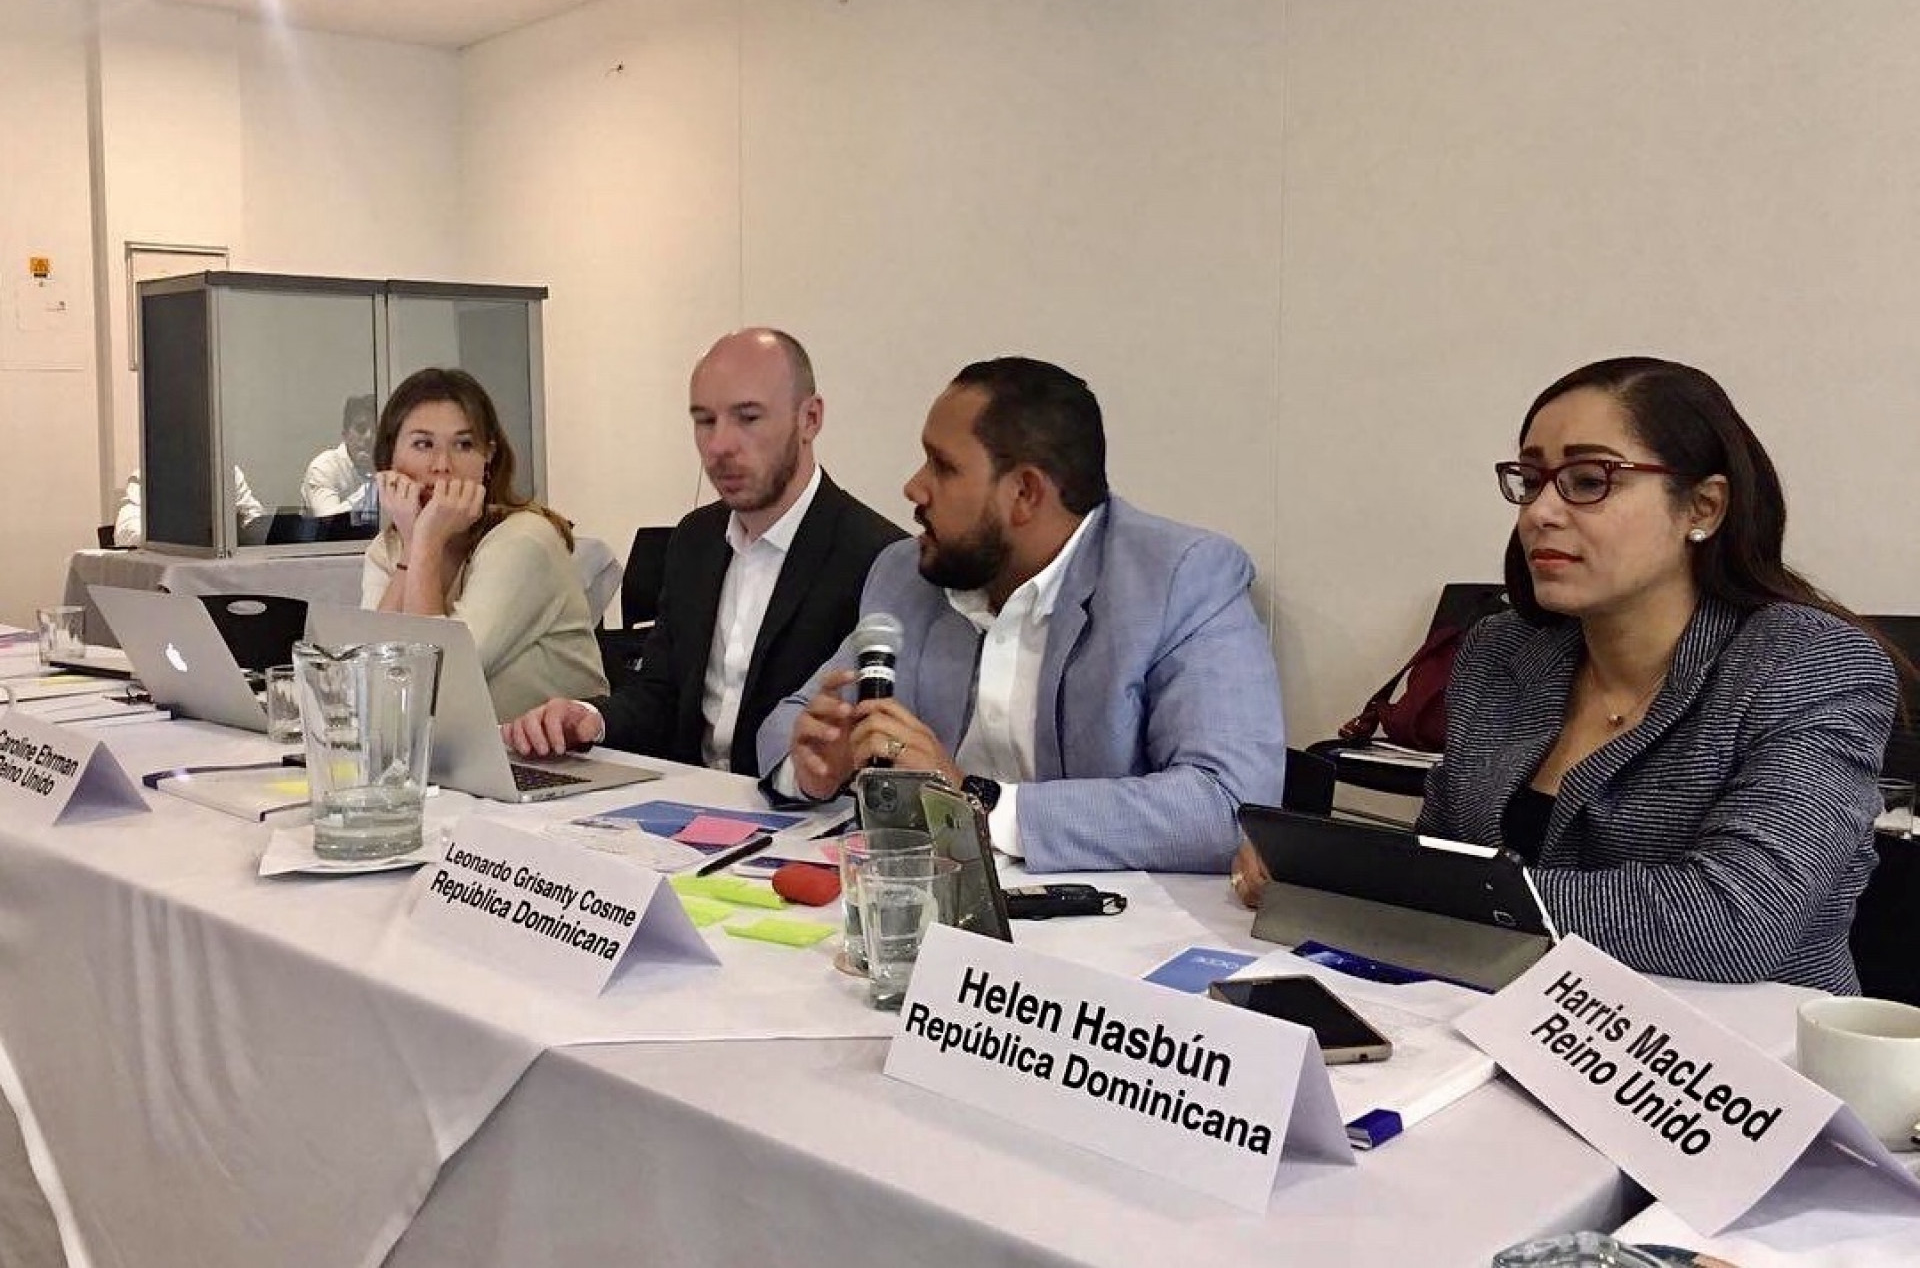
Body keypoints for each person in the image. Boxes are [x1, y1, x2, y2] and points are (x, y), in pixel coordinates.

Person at [1231, 356, 1898, 994]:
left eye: (1587, 480)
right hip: (1501, 1027)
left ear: (1703, 507)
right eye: (1530, 480)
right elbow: (1439, 853)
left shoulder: (1810, 664)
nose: (1539, 513)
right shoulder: (1502, 649)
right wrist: (1317, 873)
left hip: (1723, 1057)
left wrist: (1382, 886)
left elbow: (1733, 920)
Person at [760, 356, 1286, 874]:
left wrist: (977, 805)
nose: (914, 488)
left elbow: (1228, 803)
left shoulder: (1178, 579)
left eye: (943, 467)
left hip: (1104, 914)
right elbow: (789, 722)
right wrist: (813, 766)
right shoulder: (908, 572)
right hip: (928, 896)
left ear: (1025, 494)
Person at [502, 329, 902, 774]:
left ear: (809, 419)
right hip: (690, 800)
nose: (719, 446)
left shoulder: (877, 559)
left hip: (799, 807)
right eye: (705, 421)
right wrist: (590, 719)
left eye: (748, 418)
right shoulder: (696, 539)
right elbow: (660, 696)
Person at [364, 366, 607, 721]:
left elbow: (436, 683)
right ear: (390, 457)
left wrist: (425, 544)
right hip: (463, 748)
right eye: (423, 444)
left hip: (562, 750)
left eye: (464, 445)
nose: (442, 465)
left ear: (488, 456)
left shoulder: (524, 540)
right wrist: (415, 543)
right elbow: (371, 682)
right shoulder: (390, 546)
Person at [113, 466, 267, 546]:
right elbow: (125, 533)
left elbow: (254, 518)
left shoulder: (227, 471)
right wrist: (180, 536)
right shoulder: (149, 474)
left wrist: (251, 531)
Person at [302, 393, 378, 523]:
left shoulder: (387, 465)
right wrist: (373, 488)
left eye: (376, 430)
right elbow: (329, 521)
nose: (369, 436)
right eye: (361, 429)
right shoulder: (323, 468)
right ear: (345, 434)